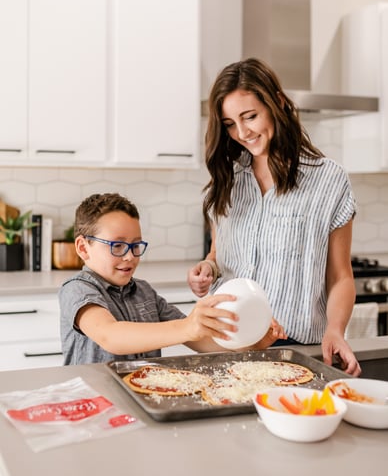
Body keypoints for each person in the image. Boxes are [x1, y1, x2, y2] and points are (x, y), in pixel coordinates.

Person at [188, 58, 361, 377]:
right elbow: (219, 254)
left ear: (277, 103)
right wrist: (207, 269)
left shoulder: (328, 180)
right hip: (225, 342)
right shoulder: (228, 180)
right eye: (229, 123)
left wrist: (335, 330)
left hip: (294, 349)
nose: (241, 132)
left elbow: (340, 277)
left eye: (250, 116)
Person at [59, 192, 286, 365]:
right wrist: (189, 325)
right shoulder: (77, 290)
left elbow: (201, 341)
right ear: (83, 247)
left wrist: (250, 342)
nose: (130, 256)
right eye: (117, 246)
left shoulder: (144, 292)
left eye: (136, 245)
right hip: (94, 404)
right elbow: (110, 336)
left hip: (140, 396)